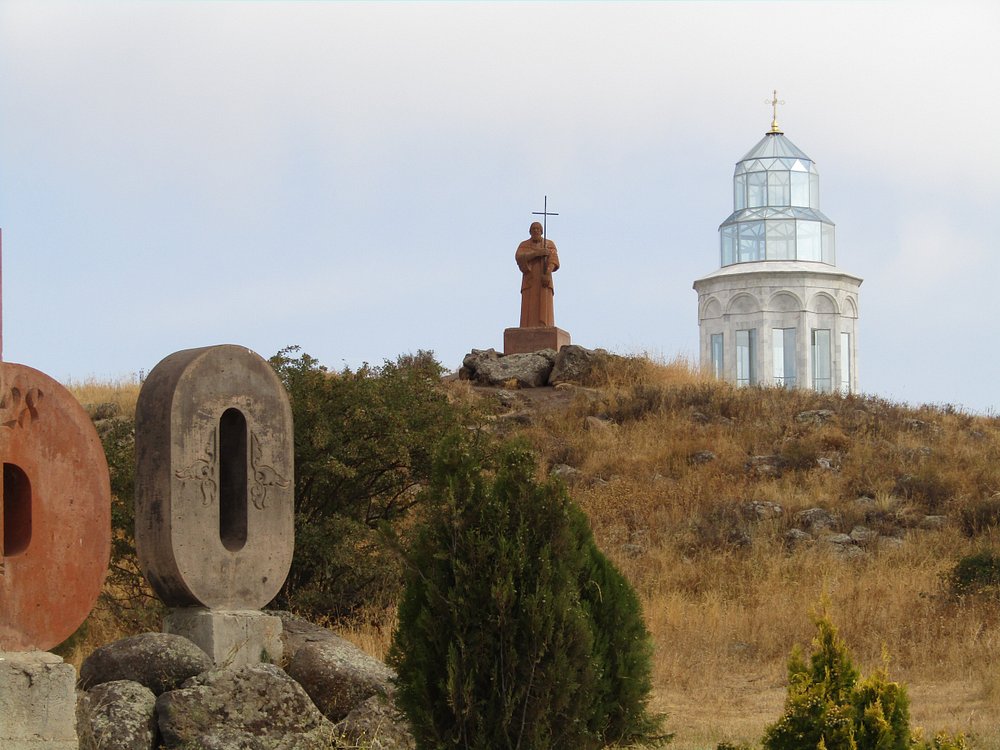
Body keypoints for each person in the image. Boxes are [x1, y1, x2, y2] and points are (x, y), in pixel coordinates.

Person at [515, 221, 560, 327]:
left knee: (545, 303)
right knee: (529, 305)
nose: (536, 231)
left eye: (538, 229)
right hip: (530, 279)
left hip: (543, 278)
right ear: (530, 231)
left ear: (541, 231)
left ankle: (545, 325)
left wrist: (547, 273)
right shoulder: (524, 245)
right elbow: (519, 257)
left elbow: (554, 260)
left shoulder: (549, 244)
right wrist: (536, 254)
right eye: (533, 229)